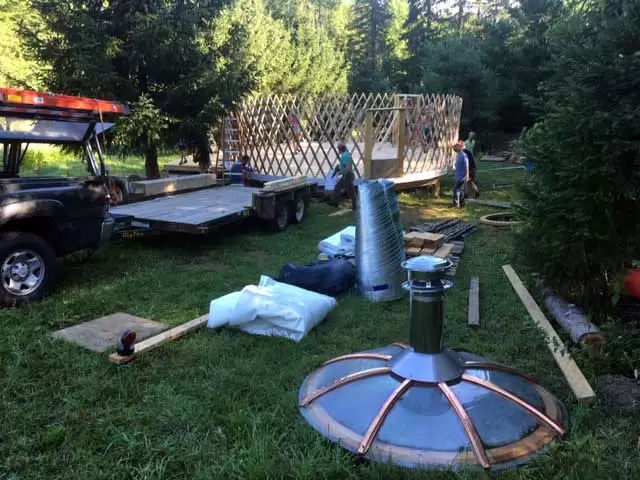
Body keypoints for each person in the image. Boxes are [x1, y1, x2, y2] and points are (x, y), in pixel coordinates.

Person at [330, 142, 357, 210]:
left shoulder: (344, 156)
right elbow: (345, 167)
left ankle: (354, 206)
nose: (338, 150)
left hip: (347, 176)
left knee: (349, 191)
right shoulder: (346, 155)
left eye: (338, 149)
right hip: (348, 175)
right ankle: (335, 202)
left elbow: (347, 168)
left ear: (340, 149)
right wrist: (339, 168)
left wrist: (344, 176)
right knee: (338, 188)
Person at [453, 140, 469, 208]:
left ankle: (456, 204)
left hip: (462, 176)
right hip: (458, 175)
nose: (455, 147)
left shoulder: (464, 155)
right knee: (460, 190)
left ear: (461, 147)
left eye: (457, 146)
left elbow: (467, 166)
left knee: (456, 189)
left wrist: (467, 176)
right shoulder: (458, 155)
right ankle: (462, 204)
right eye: (456, 146)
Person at [464, 131, 480, 198]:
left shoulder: (467, 144)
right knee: (471, 181)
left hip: (470, 167)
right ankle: (476, 192)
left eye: (471, 135)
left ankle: (466, 194)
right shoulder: (471, 142)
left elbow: (467, 166)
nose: (470, 136)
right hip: (472, 165)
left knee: (467, 181)